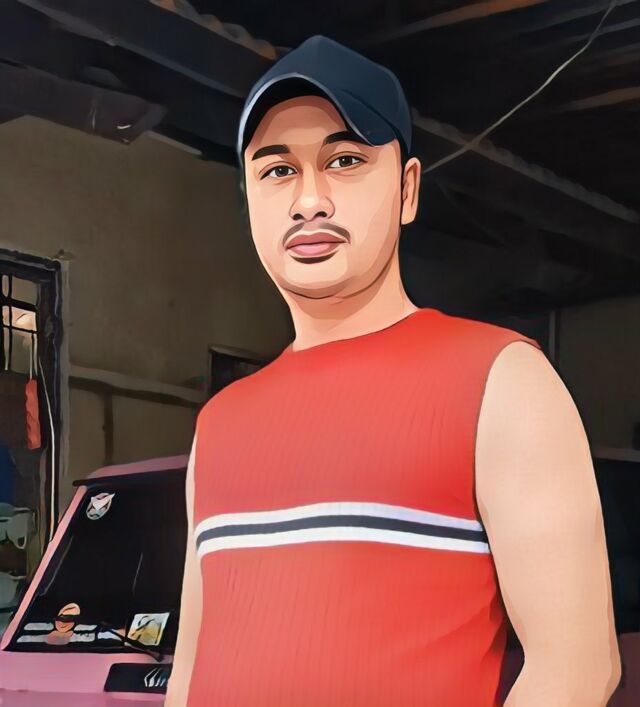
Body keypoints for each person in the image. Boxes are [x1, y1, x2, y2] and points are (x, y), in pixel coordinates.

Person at [166, 35, 620, 707]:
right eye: (277, 170)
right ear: (250, 198)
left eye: (344, 160)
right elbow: (189, 671)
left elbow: (576, 670)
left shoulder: (501, 382)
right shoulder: (219, 424)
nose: (309, 201)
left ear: (407, 189)